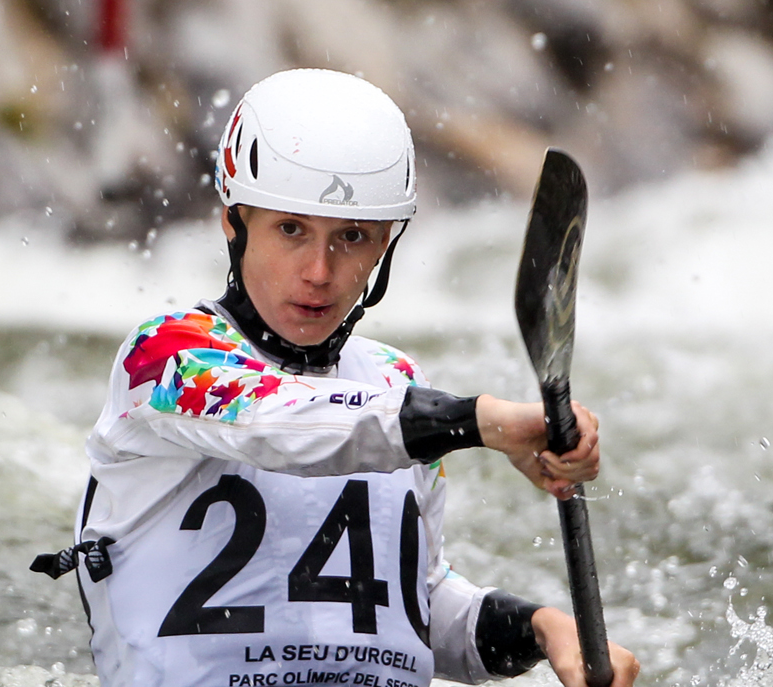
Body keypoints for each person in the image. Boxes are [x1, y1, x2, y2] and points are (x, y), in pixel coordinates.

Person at [41, 69, 640, 687]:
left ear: (385, 244)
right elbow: (282, 422)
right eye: (291, 230)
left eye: (352, 237)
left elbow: (413, 613)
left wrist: (545, 629)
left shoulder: (397, 378)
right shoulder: (165, 355)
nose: (320, 271)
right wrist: (477, 423)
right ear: (234, 221)